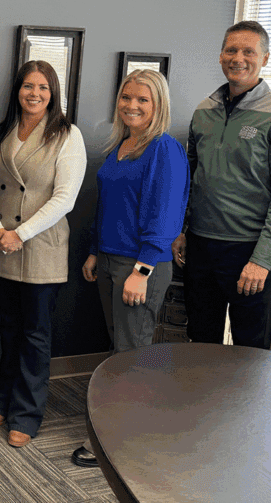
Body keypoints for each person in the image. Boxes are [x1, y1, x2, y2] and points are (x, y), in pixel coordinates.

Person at [72, 68, 189, 468]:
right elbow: (107, 207)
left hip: (141, 264)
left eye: (143, 99)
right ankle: (119, 426)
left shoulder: (164, 149)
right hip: (109, 258)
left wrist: (141, 271)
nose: (132, 105)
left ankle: (123, 443)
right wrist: (93, 251)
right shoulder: (121, 146)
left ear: (158, 105)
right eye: (126, 97)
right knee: (120, 347)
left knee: (131, 351)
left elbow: (166, 213)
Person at [0, 61, 86, 448]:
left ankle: (27, 414)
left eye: (43, 87)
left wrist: (19, 234)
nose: (34, 94)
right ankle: (2, 402)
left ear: (53, 93)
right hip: (0, 245)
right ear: (17, 89)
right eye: (27, 86)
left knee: (35, 335)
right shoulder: (0, 133)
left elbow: (65, 198)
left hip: (40, 248)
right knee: (9, 330)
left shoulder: (68, 136)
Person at [172, 21, 271, 350]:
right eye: (231, 50)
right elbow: (191, 180)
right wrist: (183, 230)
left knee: (251, 351)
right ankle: (203, 403)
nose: (238, 58)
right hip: (201, 248)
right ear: (220, 56)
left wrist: (261, 260)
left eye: (249, 51)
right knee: (200, 342)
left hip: (250, 249)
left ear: (265, 58)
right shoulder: (204, 111)